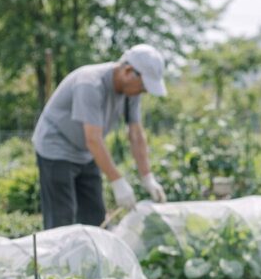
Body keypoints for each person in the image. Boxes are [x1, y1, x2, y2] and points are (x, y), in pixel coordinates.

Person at [32, 44, 169, 229]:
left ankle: (91, 257)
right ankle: (55, 258)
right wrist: (117, 181)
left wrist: (147, 177)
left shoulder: (131, 92)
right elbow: (93, 139)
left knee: (96, 216)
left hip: (86, 152)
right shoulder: (90, 84)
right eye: (143, 86)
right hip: (56, 147)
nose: (143, 92)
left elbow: (136, 134)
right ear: (128, 71)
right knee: (62, 219)